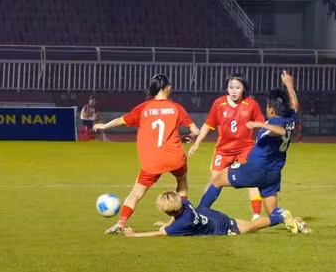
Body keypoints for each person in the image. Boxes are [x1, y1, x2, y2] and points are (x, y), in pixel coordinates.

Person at [197, 71, 311, 234]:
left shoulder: (273, 123)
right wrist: (289, 85)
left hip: (255, 170)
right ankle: (284, 217)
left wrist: (260, 125)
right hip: (273, 174)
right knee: (273, 211)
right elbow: (294, 106)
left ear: (271, 110)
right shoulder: (291, 117)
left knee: (217, 180)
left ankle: (198, 214)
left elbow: (279, 130)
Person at [93, 74, 200, 234]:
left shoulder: (143, 108)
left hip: (152, 161)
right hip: (175, 157)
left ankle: (121, 223)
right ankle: (182, 218)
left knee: (136, 193)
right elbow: (196, 131)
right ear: (167, 87)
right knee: (181, 181)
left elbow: (121, 121)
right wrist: (189, 138)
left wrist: (103, 126)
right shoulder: (176, 107)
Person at [188, 73, 266, 220]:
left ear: (244, 88)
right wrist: (196, 143)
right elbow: (208, 125)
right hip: (223, 150)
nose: (234, 91)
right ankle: (200, 213)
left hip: (245, 149)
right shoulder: (219, 104)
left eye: (237, 87)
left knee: (251, 179)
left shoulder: (251, 105)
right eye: (231, 87)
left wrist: (261, 146)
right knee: (213, 181)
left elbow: (261, 126)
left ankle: (256, 216)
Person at [122, 192, 299, 238]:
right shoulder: (183, 202)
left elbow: (159, 234)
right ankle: (284, 217)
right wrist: (167, 223)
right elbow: (174, 218)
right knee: (251, 226)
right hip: (214, 216)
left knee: (254, 226)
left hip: (222, 227)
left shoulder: (181, 224)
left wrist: (134, 235)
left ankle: (281, 216)